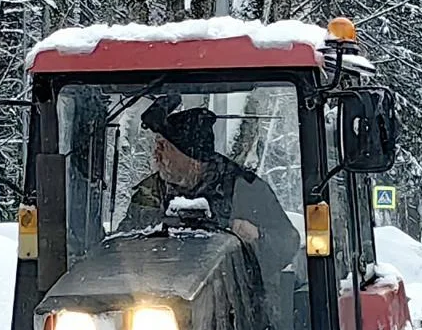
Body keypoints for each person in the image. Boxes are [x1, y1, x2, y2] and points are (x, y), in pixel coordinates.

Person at [123, 103, 298, 277]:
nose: (155, 154)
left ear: (192, 156)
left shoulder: (245, 189)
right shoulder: (149, 192)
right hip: (157, 294)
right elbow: (123, 242)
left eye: (163, 147)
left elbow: (287, 245)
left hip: (233, 293)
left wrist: (258, 237)